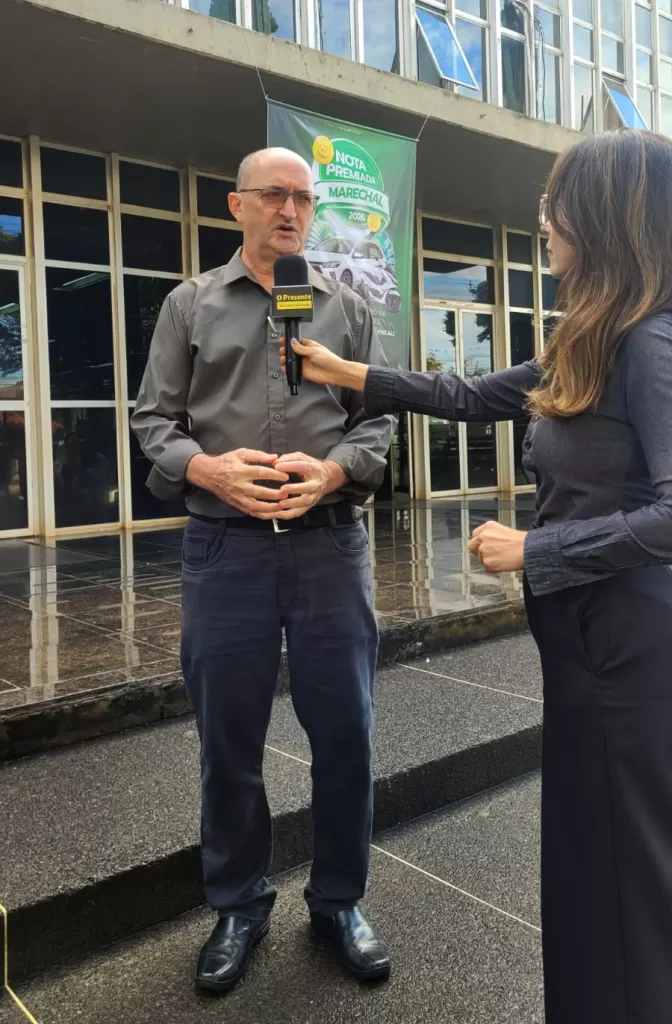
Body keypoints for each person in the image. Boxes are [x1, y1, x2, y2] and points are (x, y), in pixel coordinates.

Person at [282, 130, 672, 1024]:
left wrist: (538, 550)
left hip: (627, 649)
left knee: (626, 875)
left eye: (556, 203)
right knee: (591, 864)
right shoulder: (592, 337)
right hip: (584, 647)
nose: (544, 221)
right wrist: (349, 372)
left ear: (606, 216)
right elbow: (470, 397)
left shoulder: (650, 342)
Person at [132, 147, 396, 992]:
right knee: (229, 741)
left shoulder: (346, 308)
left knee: (346, 732)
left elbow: (376, 424)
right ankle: (239, 904)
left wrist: (334, 471)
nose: (291, 211)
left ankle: (338, 901)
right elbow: (153, 420)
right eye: (274, 195)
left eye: (304, 199)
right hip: (226, 550)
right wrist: (207, 469)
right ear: (236, 205)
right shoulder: (189, 305)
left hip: (328, 545)